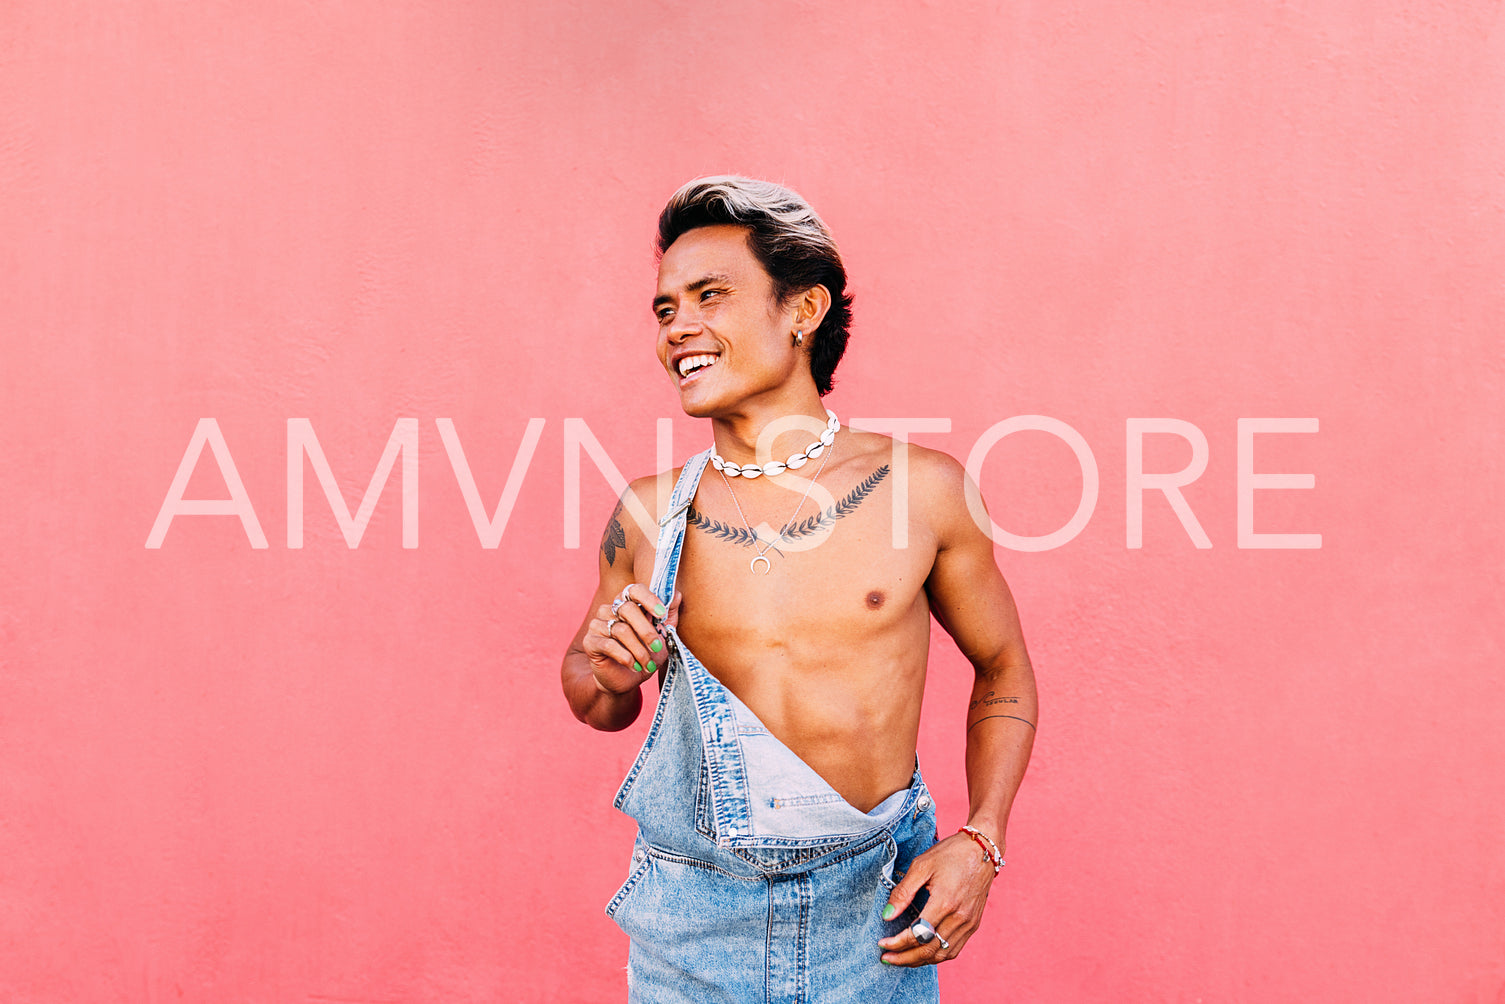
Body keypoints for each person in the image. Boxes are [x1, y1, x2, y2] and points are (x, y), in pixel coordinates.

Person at [560, 176, 1036, 1002]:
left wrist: (980, 839)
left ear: (802, 312)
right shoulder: (646, 512)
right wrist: (604, 674)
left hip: (873, 922)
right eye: (666, 308)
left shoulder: (918, 491)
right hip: (689, 934)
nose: (680, 328)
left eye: (711, 295)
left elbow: (1002, 668)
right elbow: (594, 695)